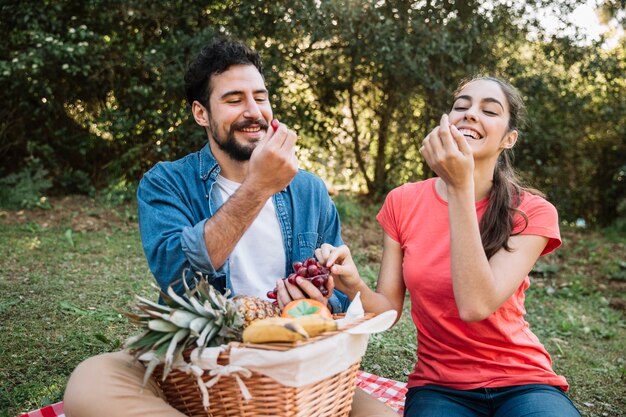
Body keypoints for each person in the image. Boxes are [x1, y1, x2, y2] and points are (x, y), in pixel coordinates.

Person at [62, 38, 397, 417]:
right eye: (234, 99)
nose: (254, 111)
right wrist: (259, 186)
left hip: (291, 367)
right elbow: (176, 274)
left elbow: (336, 302)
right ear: (201, 113)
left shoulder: (310, 190)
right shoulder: (167, 182)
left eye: (261, 97)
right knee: (92, 381)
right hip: (196, 363)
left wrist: (319, 301)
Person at [316, 76, 582, 417]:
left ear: (508, 139)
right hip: (440, 387)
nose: (470, 114)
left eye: (489, 110)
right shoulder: (403, 201)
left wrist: (459, 186)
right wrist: (352, 282)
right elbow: (387, 311)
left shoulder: (531, 212)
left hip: (522, 381)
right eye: (461, 106)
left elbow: (475, 305)